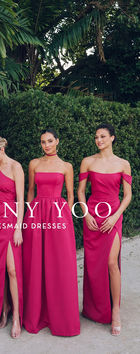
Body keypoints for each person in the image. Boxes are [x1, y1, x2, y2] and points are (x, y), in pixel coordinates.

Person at [23, 128, 80, 336]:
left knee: (59, 264)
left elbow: (71, 195)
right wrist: (27, 218)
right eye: (42, 142)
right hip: (37, 214)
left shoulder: (66, 166)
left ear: (57, 141)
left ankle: (61, 317)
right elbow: (30, 192)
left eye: (49, 141)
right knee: (36, 264)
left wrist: (66, 218)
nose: (46, 145)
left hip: (58, 215)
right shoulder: (34, 164)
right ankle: (37, 314)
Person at [77, 123, 132, 336]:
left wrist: (116, 216)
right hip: (92, 216)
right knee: (93, 265)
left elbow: (127, 195)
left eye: (103, 136)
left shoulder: (123, 164)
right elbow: (81, 192)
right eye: (96, 137)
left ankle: (115, 311)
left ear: (112, 138)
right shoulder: (87, 162)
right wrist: (87, 214)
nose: (98, 140)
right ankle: (94, 309)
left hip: (113, 216)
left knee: (111, 262)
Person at [0, 134, 24, 338]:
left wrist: (18, 228)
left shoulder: (16, 167)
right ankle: (5, 308)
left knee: (12, 269)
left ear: (1, 149)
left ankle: (16, 316)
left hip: (11, 220)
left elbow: (20, 201)